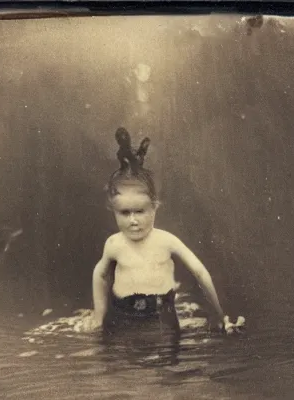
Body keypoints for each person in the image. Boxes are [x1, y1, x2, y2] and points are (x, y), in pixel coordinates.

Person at [82, 127, 239, 339]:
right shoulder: (114, 244)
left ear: (154, 207)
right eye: (125, 213)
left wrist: (218, 314)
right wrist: (99, 314)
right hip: (124, 313)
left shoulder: (165, 241)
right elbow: (99, 274)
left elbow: (199, 272)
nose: (133, 220)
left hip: (161, 314)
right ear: (113, 210)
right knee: (121, 361)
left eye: (140, 211)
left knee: (166, 359)